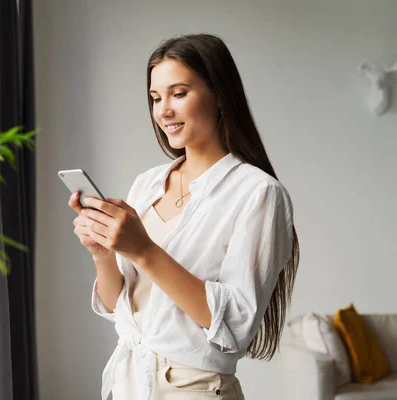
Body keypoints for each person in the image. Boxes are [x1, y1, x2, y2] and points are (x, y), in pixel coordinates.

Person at [68, 33, 299, 400]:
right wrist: (103, 253)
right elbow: (118, 308)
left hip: (194, 390)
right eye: (156, 98)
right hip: (127, 385)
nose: (163, 111)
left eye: (178, 94)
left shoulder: (258, 194)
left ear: (220, 95)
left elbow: (236, 325)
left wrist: (143, 249)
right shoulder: (147, 184)